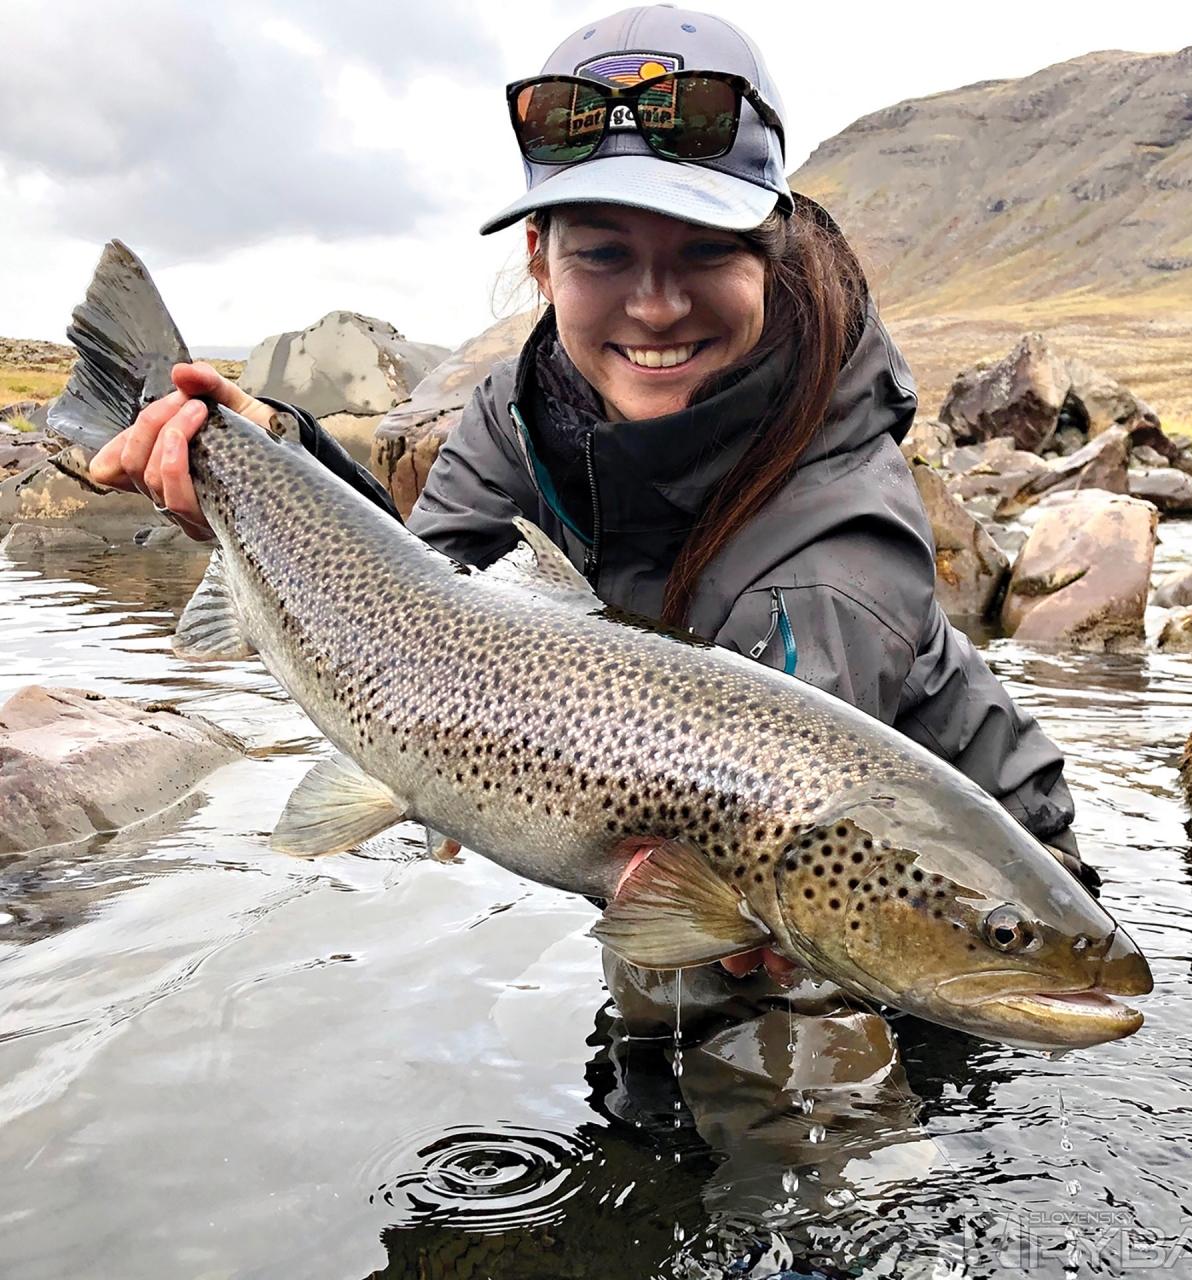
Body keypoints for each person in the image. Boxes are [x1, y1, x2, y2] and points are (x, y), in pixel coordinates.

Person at [89, 6, 1095, 1016]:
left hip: (990, 897)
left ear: (770, 254)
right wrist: (266, 455)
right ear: (540, 260)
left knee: (751, 1000)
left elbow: (764, 840)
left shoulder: (836, 553)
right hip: (855, 869)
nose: (654, 305)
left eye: (705, 251)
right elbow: (417, 602)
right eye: (605, 256)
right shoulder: (528, 407)